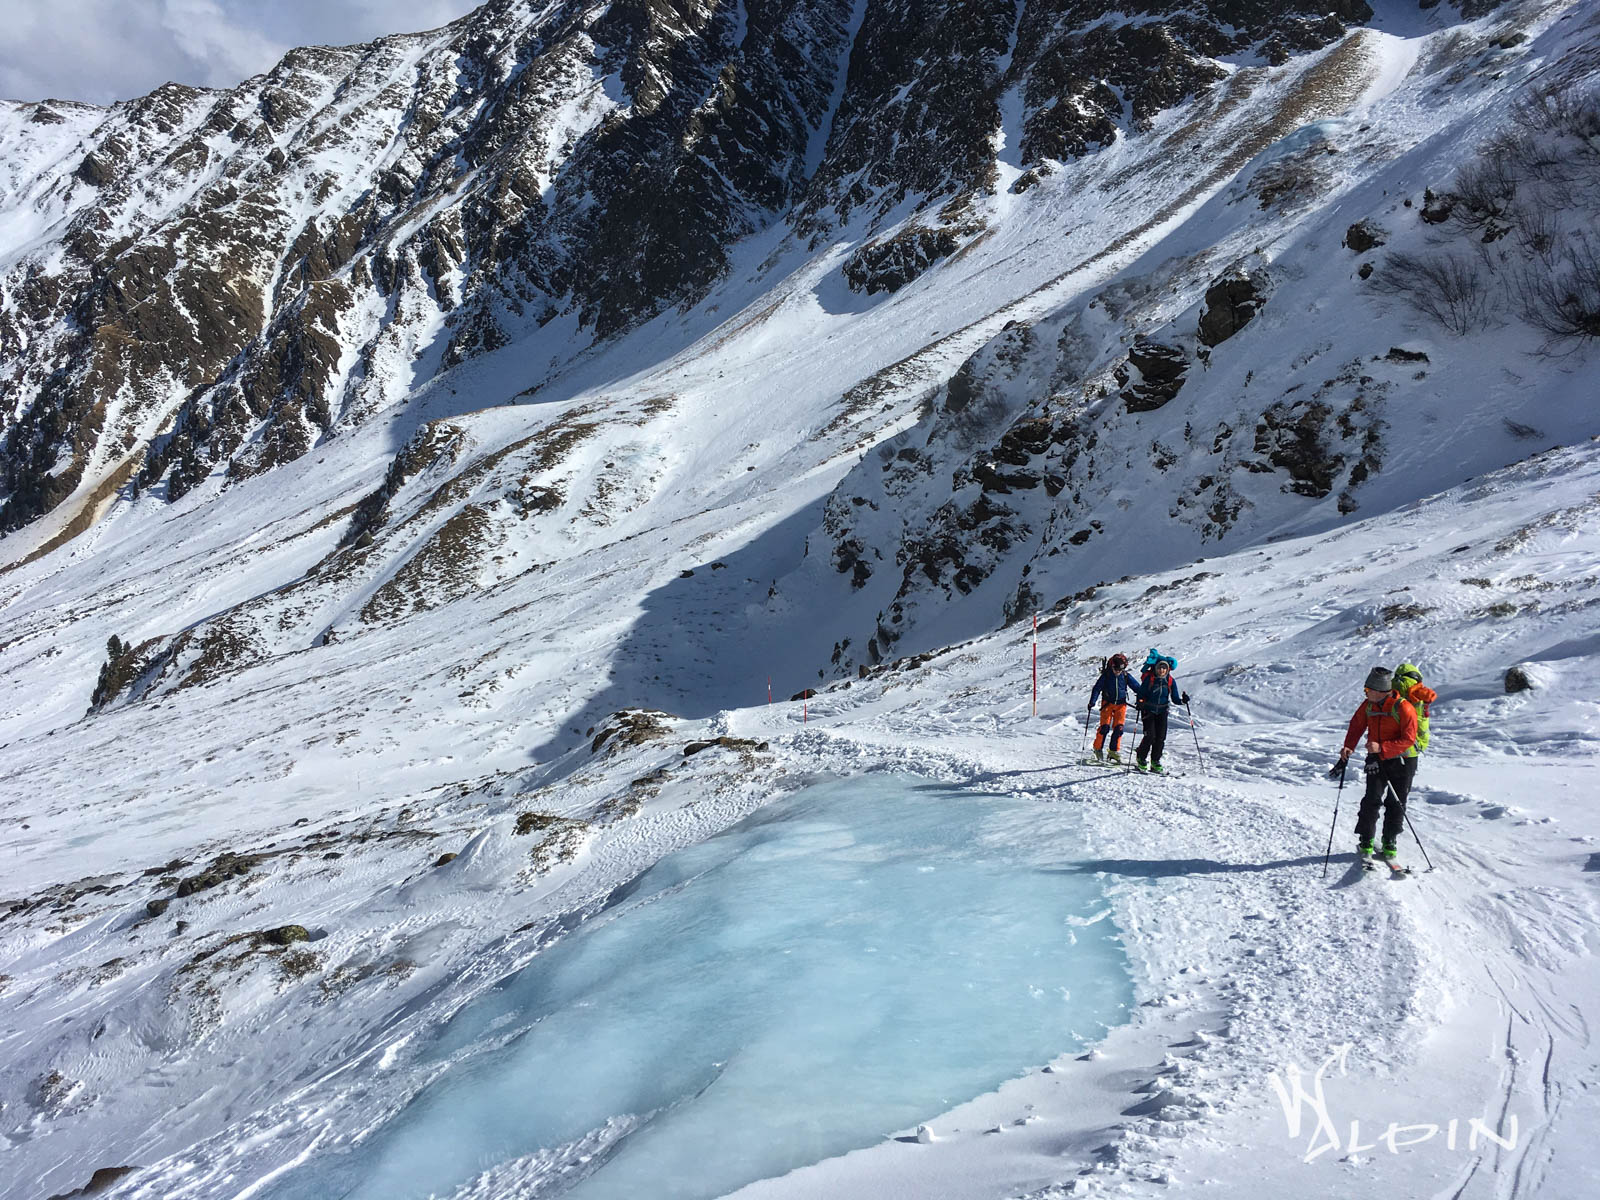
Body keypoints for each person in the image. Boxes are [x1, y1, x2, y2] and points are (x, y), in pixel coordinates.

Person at [1336, 667, 1419, 863]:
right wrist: (1348, 747)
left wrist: (1382, 747)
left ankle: (1390, 840)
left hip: (1403, 761)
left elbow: (1409, 739)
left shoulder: (1404, 708)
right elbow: (1357, 725)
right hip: (1377, 758)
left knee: (1396, 802)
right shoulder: (1368, 706)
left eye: (1367, 690)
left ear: (1380, 691)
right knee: (1371, 799)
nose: (1365, 693)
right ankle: (1366, 840)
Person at [1134, 655, 1189, 774]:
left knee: (1160, 738)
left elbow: (1175, 698)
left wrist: (1183, 701)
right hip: (1148, 711)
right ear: (1156, 668)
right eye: (1160, 668)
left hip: (1162, 711)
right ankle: (1141, 757)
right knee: (1150, 736)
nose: (1162, 670)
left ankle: (1155, 761)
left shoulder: (1170, 681)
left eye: (1164, 668)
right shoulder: (1149, 679)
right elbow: (1141, 693)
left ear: (1168, 669)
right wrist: (1140, 702)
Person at [1392, 662, 1437, 795]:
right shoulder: (1421, 694)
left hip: (1386, 747)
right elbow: (1421, 724)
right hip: (1410, 749)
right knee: (1400, 796)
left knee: (1375, 794)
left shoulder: (1388, 691)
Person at [1087, 653, 1140, 763]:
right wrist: (1092, 702)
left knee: (1119, 728)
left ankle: (1113, 751)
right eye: (1116, 669)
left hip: (1121, 705)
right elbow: (1097, 688)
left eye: (1120, 669)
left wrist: (1142, 700)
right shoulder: (1106, 676)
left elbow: (1137, 688)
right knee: (1104, 728)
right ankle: (1097, 749)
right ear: (1112, 666)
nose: (1118, 671)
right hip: (1107, 704)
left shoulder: (1125, 676)